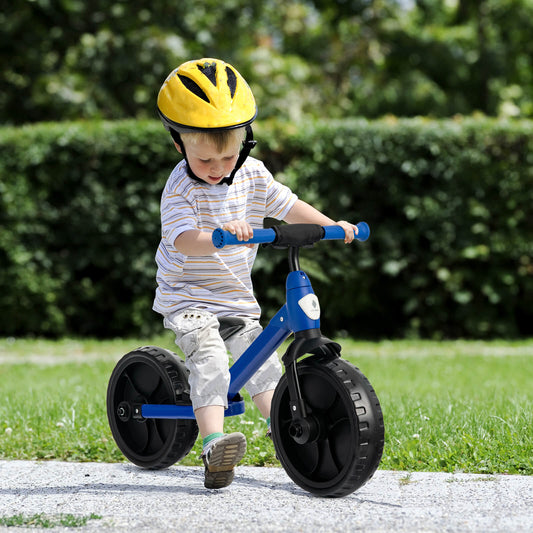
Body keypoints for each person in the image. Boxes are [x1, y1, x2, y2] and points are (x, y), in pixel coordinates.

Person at [153, 58, 358, 489]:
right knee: (211, 360)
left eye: (228, 156)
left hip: (234, 296)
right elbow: (183, 240)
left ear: (245, 143)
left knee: (264, 363)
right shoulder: (180, 189)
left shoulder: (252, 173)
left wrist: (332, 225)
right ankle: (213, 444)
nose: (218, 167)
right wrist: (220, 235)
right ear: (178, 145)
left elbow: (288, 205)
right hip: (189, 297)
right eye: (205, 158)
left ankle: (281, 430)